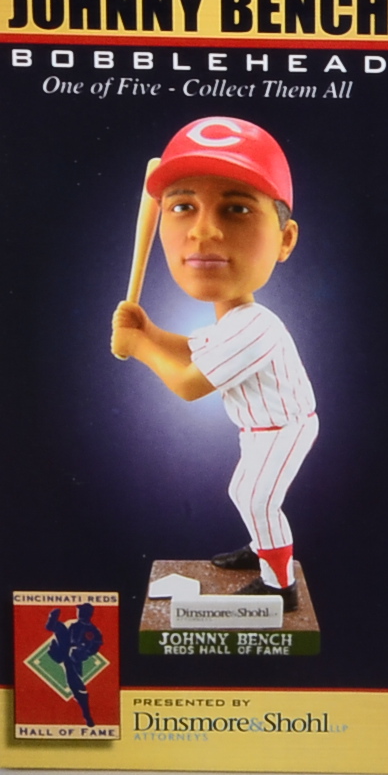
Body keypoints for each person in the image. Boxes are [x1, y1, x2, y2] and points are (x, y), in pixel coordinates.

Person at [111, 117, 315, 598]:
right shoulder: (233, 322)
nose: (203, 232)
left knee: (258, 499)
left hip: (284, 428)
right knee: (243, 493)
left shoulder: (255, 325)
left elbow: (188, 384)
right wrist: (149, 331)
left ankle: (279, 584)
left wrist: (138, 347)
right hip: (258, 427)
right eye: (183, 206)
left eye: (237, 209)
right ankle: (263, 549)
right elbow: (194, 350)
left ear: (285, 239)